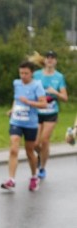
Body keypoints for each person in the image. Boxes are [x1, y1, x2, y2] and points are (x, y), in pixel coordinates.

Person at [1, 61, 47, 192]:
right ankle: (11, 179)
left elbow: (43, 104)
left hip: (30, 123)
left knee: (29, 151)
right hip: (16, 121)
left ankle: (34, 176)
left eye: (26, 73)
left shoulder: (37, 85)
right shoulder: (16, 83)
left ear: (32, 73)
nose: (23, 76)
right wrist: (12, 109)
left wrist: (29, 102)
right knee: (13, 148)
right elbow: (16, 99)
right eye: (21, 73)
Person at [32, 50, 68, 180]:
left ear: (55, 61)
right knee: (35, 143)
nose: (50, 60)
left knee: (45, 140)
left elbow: (65, 97)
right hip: (37, 112)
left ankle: (42, 168)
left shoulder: (59, 77)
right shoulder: (36, 75)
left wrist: (56, 93)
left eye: (53, 58)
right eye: (48, 57)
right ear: (45, 60)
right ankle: (41, 156)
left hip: (51, 113)